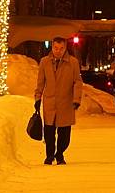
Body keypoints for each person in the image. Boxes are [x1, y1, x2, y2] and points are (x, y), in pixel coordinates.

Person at [34, 37, 83, 165]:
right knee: (49, 132)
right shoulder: (44, 62)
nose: (58, 51)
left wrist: (76, 99)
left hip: (66, 102)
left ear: (65, 48)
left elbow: (77, 82)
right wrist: (38, 98)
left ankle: (60, 154)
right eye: (56, 48)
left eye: (61, 48)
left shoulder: (73, 62)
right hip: (50, 102)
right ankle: (49, 156)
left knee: (64, 134)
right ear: (52, 47)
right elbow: (40, 82)